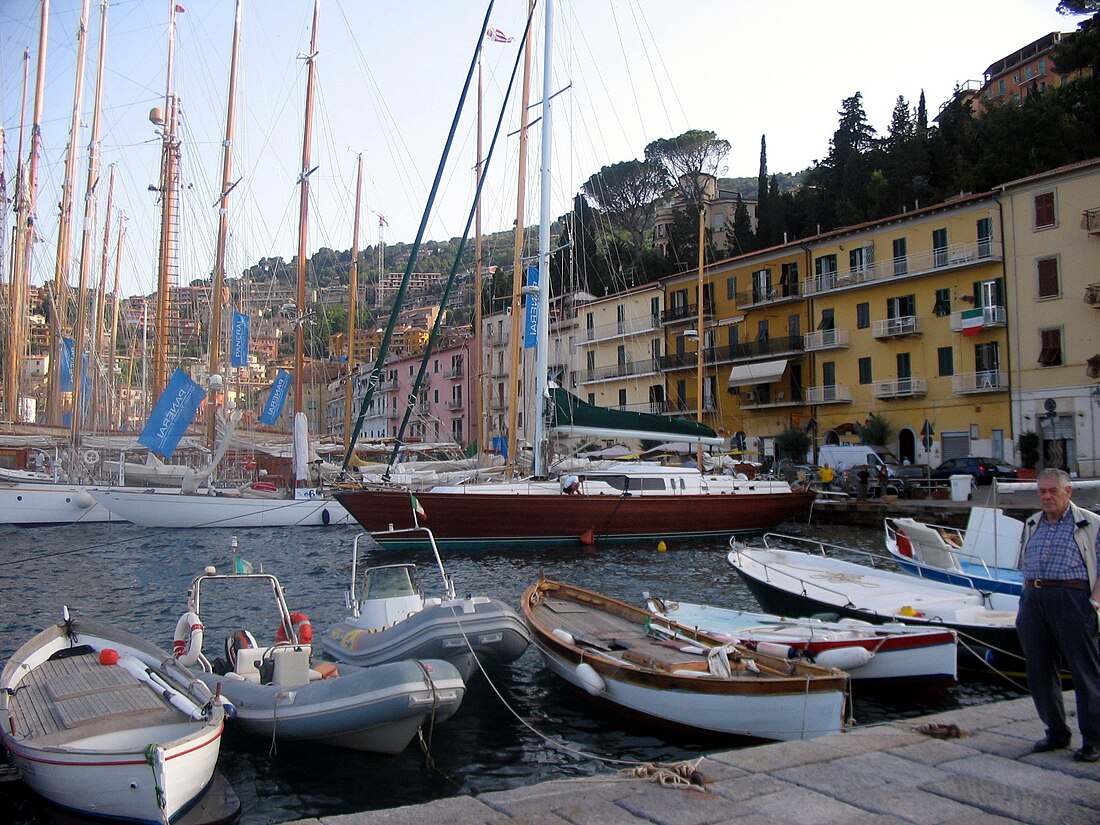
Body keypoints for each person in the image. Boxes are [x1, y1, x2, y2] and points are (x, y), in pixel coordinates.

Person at [1014, 468, 1100, 763]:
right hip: (1035, 598)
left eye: (1053, 491)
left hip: (1073, 597)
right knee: (1038, 669)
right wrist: (1026, 599)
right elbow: (1023, 564)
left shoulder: (1091, 524)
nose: (1047, 496)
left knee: (1084, 670)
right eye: (1042, 491)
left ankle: (1094, 739)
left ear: (1068, 492)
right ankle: (1056, 731)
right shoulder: (1032, 523)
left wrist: (1095, 603)